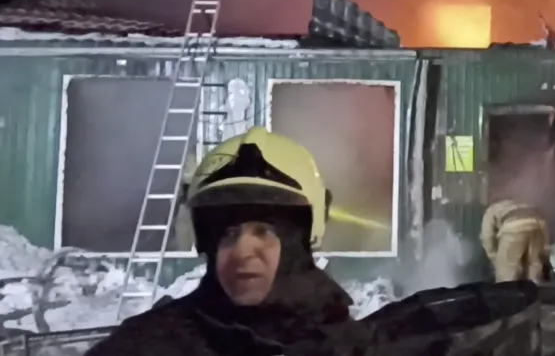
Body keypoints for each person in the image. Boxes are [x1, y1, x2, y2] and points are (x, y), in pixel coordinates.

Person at [86, 127, 372, 356]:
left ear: (298, 244)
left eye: (263, 231)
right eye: (227, 234)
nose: (241, 252)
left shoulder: (348, 343)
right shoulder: (150, 345)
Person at [480, 199, 549, 284]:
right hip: (537, 227)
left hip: (513, 229)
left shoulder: (492, 209)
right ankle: (535, 288)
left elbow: (487, 236)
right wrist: (545, 246)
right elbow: (543, 224)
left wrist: (494, 257)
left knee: (507, 271)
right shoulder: (524, 203)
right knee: (533, 265)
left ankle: (507, 295)